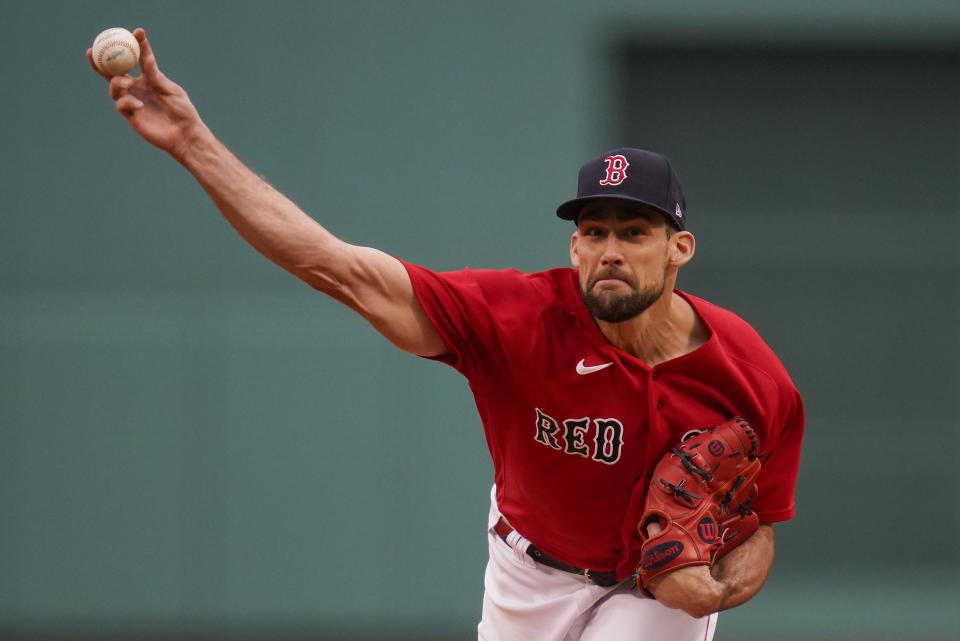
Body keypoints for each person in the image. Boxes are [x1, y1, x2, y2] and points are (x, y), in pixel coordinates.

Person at [88, 28, 804, 641]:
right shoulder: (516, 317)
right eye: (594, 231)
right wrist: (191, 143)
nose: (611, 248)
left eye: (636, 231)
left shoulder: (752, 376)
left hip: (650, 594)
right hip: (530, 571)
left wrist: (714, 593)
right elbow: (336, 267)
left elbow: (762, 524)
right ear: (575, 248)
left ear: (680, 248)